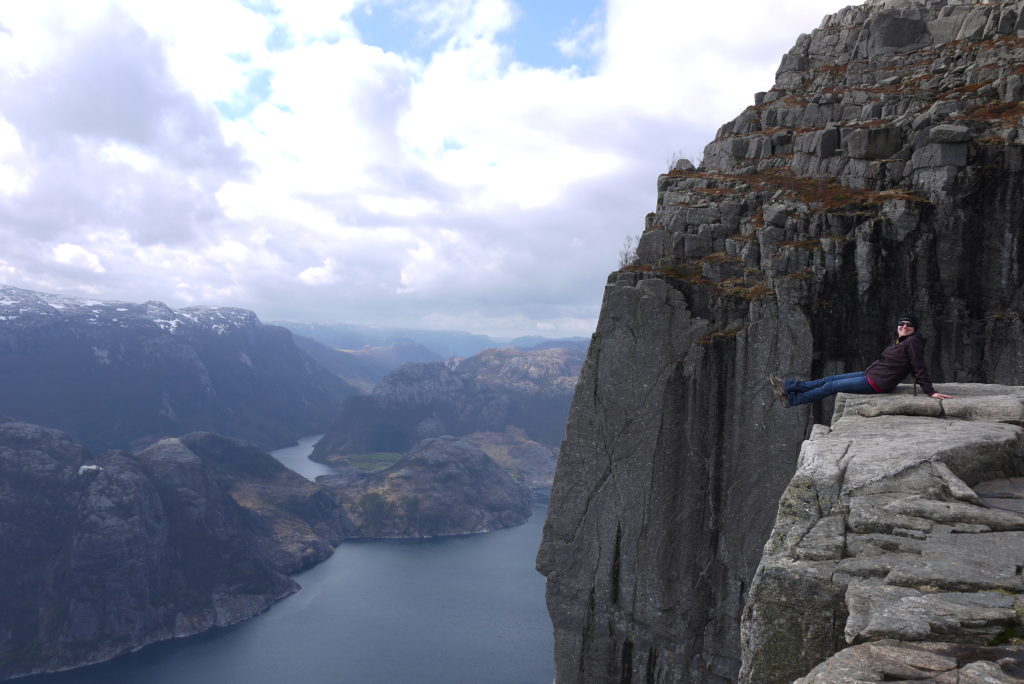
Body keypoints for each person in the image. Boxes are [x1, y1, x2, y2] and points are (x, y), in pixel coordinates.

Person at [769, 313, 953, 407]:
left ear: (914, 329)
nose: (904, 327)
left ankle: (793, 400)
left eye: (909, 325)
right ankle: (788, 386)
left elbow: (918, 366)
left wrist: (930, 392)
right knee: (829, 379)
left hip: (878, 383)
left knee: (830, 387)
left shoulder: (913, 342)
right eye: (902, 323)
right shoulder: (900, 339)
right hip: (872, 374)